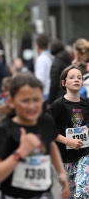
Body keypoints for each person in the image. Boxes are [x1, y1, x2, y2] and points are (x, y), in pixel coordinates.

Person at [0, 72, 70, 199]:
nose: (32, 106)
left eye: (36, 100)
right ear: (11, 101)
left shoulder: (46, 122)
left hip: (43, 195)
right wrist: (20, 153)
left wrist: (62, 173)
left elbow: (50, 144)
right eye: (25, 101)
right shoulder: (5, 130)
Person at [47, 65, 89, 198]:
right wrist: (68, 141)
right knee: (70, 193)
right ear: (64, 83)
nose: (76, 80)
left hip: (85, 154)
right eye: (72, 77)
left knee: (83, 191)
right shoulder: (58, 105)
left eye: (79, 77)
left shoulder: (86, 105)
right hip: (64, 158)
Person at [48, 39, 71, 105]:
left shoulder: (57, 62)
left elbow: (54, 83)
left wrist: (50, 101)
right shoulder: (67, 59)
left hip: (59, 96)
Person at [34, 34, 53, 101]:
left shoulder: (41, 59)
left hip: (45, 93)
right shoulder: (51, 57)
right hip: (52, 90)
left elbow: (40, 79)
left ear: (37, 46)